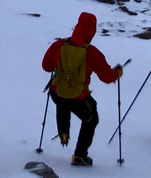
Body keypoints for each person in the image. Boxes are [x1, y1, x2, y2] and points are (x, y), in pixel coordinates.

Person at [42, 11, 123, 167]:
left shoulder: (59, 44)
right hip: (78, 96)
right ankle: (80, 156)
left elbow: (46, 66)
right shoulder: (92, 52)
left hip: (56, 91)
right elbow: (107, 77)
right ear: (92, 31)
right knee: (91, 118)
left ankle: (63, 133)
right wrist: (118, 72)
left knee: (63, 101)